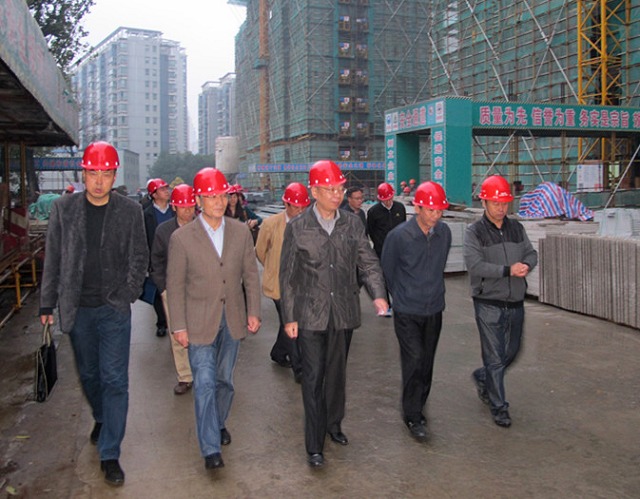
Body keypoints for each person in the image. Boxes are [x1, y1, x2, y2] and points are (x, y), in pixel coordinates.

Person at [39, 141, 148, 486]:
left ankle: (110, 453)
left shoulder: (130, 211)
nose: (99, 181)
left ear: (114, 176)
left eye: (105, 174)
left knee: (115, 378)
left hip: (113, 309)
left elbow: (139, 256)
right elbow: (53, 257)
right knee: (89, 374)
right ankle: (101, 416)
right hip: (78, 308)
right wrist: (47, 303)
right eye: (93, 173)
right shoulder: (63, 209)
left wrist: (128, 292)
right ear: (83, 174)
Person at [280, 160, 388, 469]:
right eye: (330, 189)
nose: (337, 194)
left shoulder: (352, 224)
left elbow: (368, 261)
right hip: (310, 314)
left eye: (340, 189)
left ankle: (333, 423)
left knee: (337, 375)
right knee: (313, 377)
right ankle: (314, 444)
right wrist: (289, 317)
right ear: (314, 191)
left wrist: (378, 294)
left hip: (342, 312)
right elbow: (288, 276)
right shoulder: (298, 227)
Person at [166, 167, 261, 470]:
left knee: (224, 380)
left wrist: (253, 311)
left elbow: (250, 275)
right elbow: (175, 285)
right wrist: (178, 326)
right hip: (198, 321)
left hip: (232, 317)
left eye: (222, 195)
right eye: (211, 197)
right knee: (204, 382)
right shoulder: (182, 238)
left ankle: (218, 422)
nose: (219, 202)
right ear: (198, 200)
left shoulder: (240, 232)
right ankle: (210, 448)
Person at [463, 174, 538, 428]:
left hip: (515, 300)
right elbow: (475, 265)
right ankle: (499, 408)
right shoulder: (475, 232)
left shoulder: (517, 228)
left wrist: (526, 264)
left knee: (512, 352)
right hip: (488, 302)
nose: (501, 208)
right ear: (484, 203)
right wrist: (507, 270)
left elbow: (531, 253)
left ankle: (483, 377)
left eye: (505, 203)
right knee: (495, 357)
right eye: (496, 203)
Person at [381, 182, 452, 442]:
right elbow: (388, 270)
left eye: (439, 211)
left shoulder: (444, 233)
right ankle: (412, 415)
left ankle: (419, 404)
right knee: (414, 359)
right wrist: (401, 296)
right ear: (417, 207)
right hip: (407, 310)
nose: (436, 215)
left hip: (434, 308)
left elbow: (439, 265)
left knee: (427, 361)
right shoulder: (399, 237)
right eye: (431, 210)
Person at [255, 182, 310, 382]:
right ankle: (299, 368)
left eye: (303, 207)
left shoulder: (309, 224)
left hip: (301, 283)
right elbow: (260, 251)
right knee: (291, 322)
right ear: (286, 204)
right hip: (279, 285)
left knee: (288, 320)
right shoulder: (271, 224)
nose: (300, 211)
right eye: (296, 207)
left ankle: (278, 352)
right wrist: (272, 268)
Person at [150, 184, 196, 396]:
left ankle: (204, 371)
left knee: (203, 331)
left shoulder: (204, 227)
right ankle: (185, 376)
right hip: (173, 290)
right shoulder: (164, 231)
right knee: (178, 332)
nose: (188, 211)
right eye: (183, 207)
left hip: (200, 289)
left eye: (191, 206)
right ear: (174, 207)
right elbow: (157, 261)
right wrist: (163, 287)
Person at [367, 182, 406, 316]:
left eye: (390, 199)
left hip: (398, 250)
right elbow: (371, 231)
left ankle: (400, 303)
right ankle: (386, 306)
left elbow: (404, 227)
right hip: (382, 251)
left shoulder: (400, 208)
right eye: (385, 200)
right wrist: (380, 245)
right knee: (383, 278)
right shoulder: (374, 212)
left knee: (399, 277)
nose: (388, 202)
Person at [144, 178, 174, 337]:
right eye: (162, 190)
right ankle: (162, 323)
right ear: (154, 194)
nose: (167, 192)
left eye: (167, 188)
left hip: (175, 256)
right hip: (157, 259)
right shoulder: (146, 215)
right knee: (158, 291)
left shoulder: (175, 210)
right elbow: (144, 238)